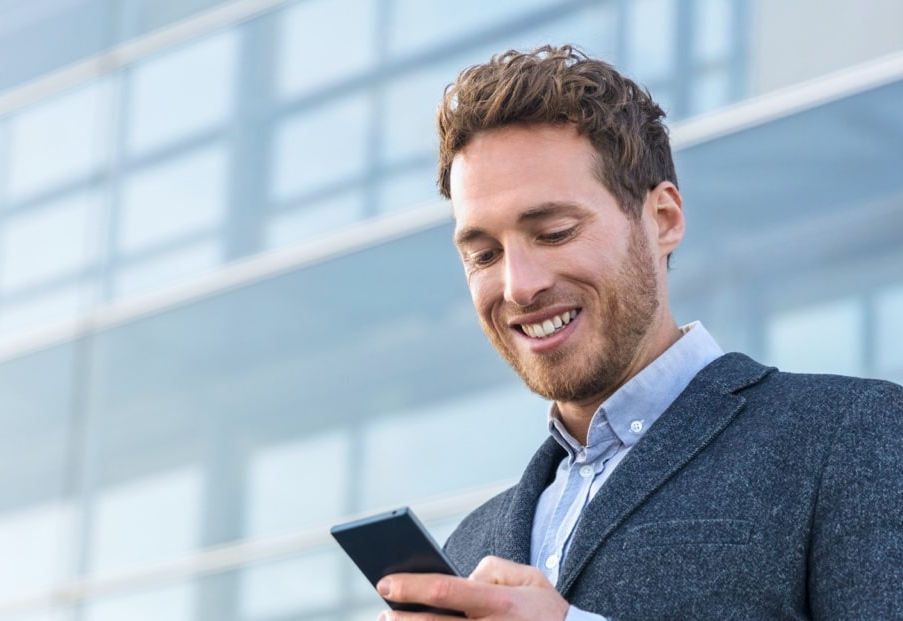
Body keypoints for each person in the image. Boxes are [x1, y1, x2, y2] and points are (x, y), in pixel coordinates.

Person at [373, 45, 903, 620]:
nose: (518, 287)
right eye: (483, 254)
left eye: (553, 232)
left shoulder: (852, 436)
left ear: (663, 219)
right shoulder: (470, 549)